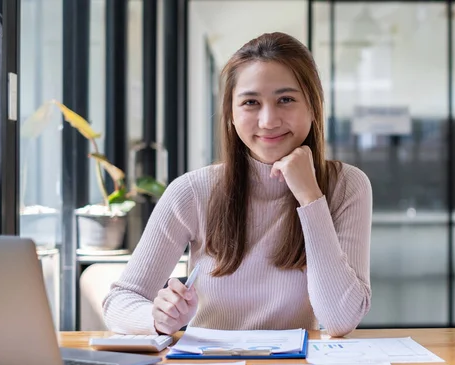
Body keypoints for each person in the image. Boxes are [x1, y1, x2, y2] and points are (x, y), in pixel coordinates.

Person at [103, 32, 372, 337]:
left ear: (313, 106)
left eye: (286, 99)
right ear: (230, 113)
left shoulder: (347, 185)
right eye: (251, 103)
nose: (268, 120)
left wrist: (310, 196)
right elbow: (119, 301)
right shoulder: (192, 191)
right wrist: (156, 317)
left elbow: (340, 319)